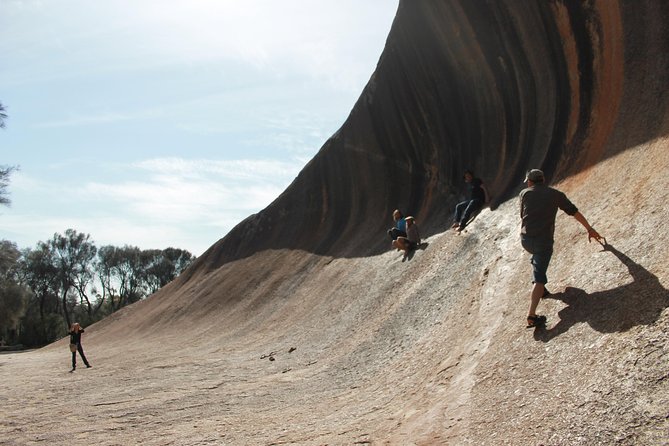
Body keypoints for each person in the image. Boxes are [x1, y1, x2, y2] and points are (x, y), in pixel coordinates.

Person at [520, 169, 603, 328]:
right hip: (543, 242)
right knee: (539, 277)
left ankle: (542, 290)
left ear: (530, 182)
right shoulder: (556, 194)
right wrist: (589, 229)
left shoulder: (524, 193)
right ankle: (531, 315)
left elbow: (523, 216)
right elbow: (574, 212)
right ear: (543, 180)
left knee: (537, 259)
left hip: (525, 240)